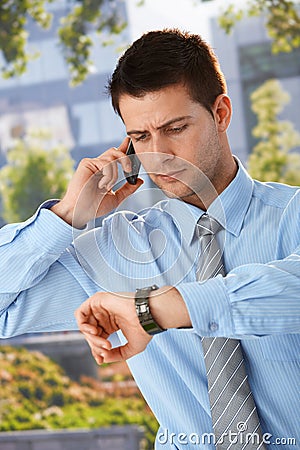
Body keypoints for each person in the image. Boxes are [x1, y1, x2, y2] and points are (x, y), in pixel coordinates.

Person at [0, 29, 299, 450]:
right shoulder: (118, 248)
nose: (160, 154)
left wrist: (152, 311)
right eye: (141, 138)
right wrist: (68, 216)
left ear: (221, 113)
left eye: (175, 128)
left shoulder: (292, 215)